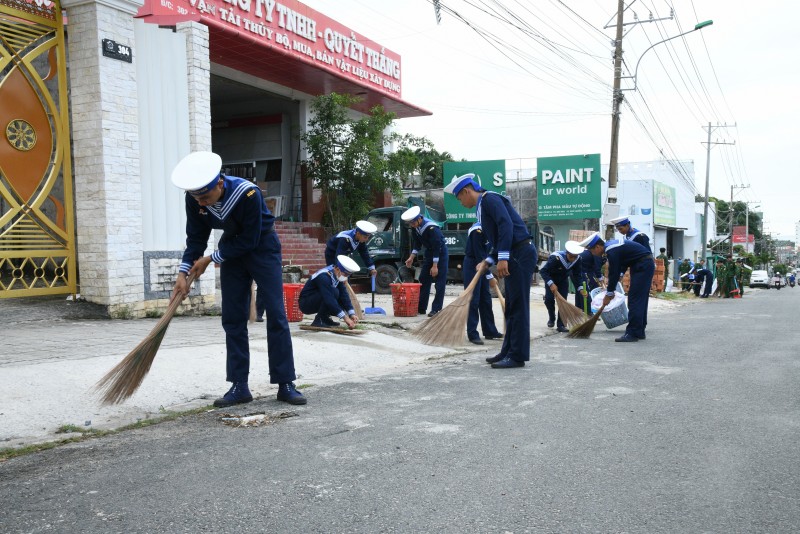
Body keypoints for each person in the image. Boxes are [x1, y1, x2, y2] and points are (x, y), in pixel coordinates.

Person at [170, 151, 305, 407]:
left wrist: (211, 259)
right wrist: (183, 272)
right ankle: (239, 386)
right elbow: (196, 238)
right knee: (232, 318)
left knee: (276, 314)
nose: (202, 204)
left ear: (220, 183)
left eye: (206, 197)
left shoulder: (248, 193)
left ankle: (285, 382)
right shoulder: (195, 199)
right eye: (197, 198)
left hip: (262, 248)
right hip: (231, 249)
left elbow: (251, 239)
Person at [445, 173, 537, 369]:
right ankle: (508, 351)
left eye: (459, 198)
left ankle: (517, 356)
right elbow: (497, 236)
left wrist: (502, 257)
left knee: (518, 306)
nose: (460, 202)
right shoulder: (483, 205)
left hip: (519, 253)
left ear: (466, 191)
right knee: (511, 306)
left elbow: (506, 225)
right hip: (514, 253)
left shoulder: (490, 199)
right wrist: (489, 259)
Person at [582, 232, 654, 342]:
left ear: (597, 247)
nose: (593, 254)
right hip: (643, 264)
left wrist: (609, 293)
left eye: (592, 251)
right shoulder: (612, 246)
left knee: (634, 300)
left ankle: (633, 333)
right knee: (640, 299)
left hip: (642, 266)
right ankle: (639, 331)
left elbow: (613, 272)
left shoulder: (611, 249)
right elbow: (624, 261)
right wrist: (619, 277)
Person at [401, 205, 449, 317]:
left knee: (439, 282)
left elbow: (437, 246)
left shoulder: (432, 228)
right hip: (429, 252)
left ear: (419, 219)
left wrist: (435, 265)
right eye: (410, 224)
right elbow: (417, 244)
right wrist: (411, 257)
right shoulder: (415, 228)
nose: (412, 225)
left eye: (413, 223)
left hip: (440, 254)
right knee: (423, 279)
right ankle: (421, 308)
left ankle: (436, 309)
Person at [463, 222, 503, 345]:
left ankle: (490, 330)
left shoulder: (491, 229)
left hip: (482, 265)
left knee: (486, 299)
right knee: (473, 300)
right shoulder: (477, 231)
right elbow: (479, 254)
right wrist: (490, 276)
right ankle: (472, 333)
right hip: (472, 265)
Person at [299, 255, 360, 329]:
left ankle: (325, 318)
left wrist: (351, 314)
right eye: (345, 274)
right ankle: (319, 319)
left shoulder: (337, 275)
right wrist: (345, 318)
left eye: (348, 275)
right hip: (306, 303)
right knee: (334, 292)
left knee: (339, 296)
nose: (346, 277)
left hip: (321, 298)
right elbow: (329, 299)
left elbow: (344, 295)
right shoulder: (323, 276)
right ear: (337, 269)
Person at [540, 241, 586, 332]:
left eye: (575, 257)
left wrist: (580, 288)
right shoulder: (556, 258)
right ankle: (551, 317)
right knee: (549, 300)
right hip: (551, 279)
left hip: (563, 281)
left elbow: (577, 275)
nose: (573, 259)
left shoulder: (578, 260)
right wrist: (551, 283)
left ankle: (561, 325)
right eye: (571, 256)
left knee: (563, 302)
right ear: (567, 253)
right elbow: (543, 271)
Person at [575, 245, 605, 313]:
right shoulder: (597, 254)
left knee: (580, 291)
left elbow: (594, 269)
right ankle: (588, 312)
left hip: (580, 271)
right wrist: (600, 280)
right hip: (580, 272)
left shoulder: (591, 252)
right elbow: (597, 269)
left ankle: (579, 311)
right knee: (586, 291)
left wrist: (600, 279)